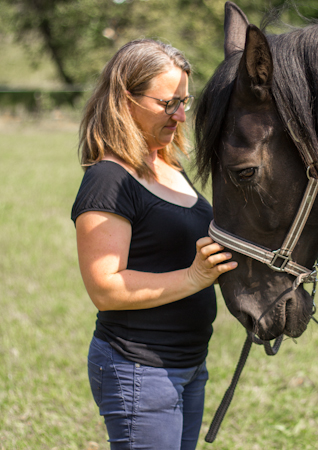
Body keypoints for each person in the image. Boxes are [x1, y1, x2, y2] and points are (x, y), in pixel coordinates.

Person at [71, 39, 237, 450]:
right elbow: (104, 288)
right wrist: (195, 276)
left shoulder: (168, 164)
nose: (181, 115)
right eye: (167, 104)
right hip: (137, 368)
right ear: (124, 99)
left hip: (188, 364)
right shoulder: (109, 179)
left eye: (184, 101)